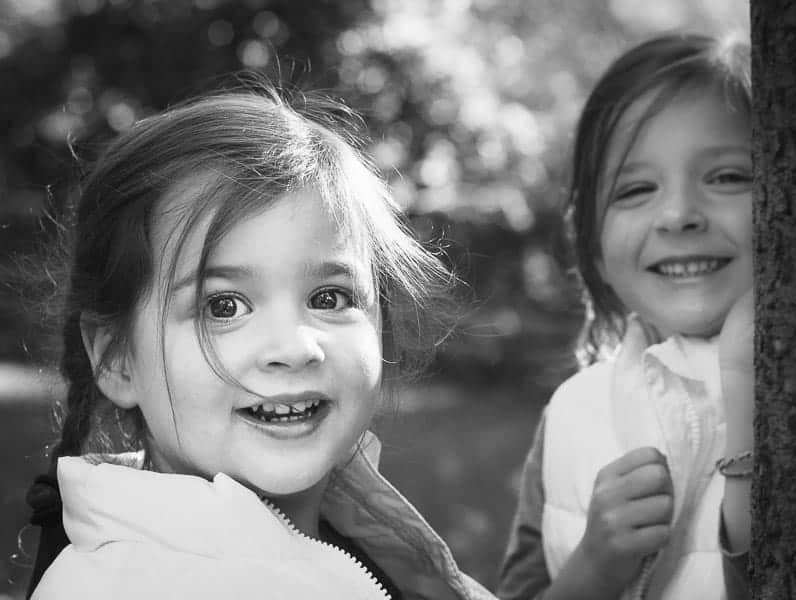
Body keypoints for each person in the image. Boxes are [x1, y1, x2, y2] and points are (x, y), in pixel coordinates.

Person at [23, 82, 495, 600]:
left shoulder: (360, 544)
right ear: (117, 358)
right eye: (223, 307)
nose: (294, 348)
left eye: (330, 298)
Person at [496, 32, 754, 600]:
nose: (680, 214)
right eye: (636, 189)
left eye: (728, 177)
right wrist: (593, 569)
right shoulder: (571, 411)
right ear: (593, 249)